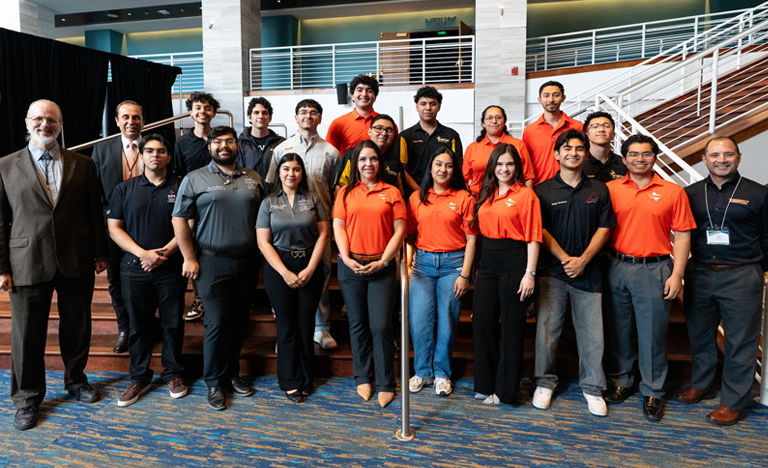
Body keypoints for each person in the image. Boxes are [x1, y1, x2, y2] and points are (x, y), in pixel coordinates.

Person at [0, 100, 109, 431]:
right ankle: (27, 398)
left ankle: (76, 381)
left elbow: (94, 212)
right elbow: (0, 221)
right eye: (38, 118)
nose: (44, 124)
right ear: (27, 122)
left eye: (51, 120)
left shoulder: (83, 164)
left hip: (76, 258)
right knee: (26, 334)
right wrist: (2, 267)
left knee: (77, 326)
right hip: (26, 261)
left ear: (61, 125)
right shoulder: (5, 166)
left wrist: (100, 252)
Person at [172, 126, 267, 411]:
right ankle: (214, 381)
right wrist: (189, 257)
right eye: (218, 142)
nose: (224, 146)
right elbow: (179, 219)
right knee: (216, 323)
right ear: (209, 147)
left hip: (248, 261)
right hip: (212, 261)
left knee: (239, 321)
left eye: (229, 141)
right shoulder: (195, 178)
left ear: (237, 145)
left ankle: (232, 373)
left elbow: (265, 217)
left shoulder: (253, 178)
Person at [603, 134, 695, 422]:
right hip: (617, 266)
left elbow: (682, 236)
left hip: (655, 268)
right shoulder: (610, 189)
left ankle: (653, 390)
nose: (639, 159)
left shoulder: (673, 191)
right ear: (624, 159)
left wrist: (677, 275)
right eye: (633, 154)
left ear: (655, 158)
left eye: (646, 154)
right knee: (618, 330)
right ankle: (621, 380)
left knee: (653, 334)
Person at [677, 137, 768, 426]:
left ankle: (734, 402)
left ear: (739, 157)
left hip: (741, 275)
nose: (722, 160)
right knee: (700, 335)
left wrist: (755, 269)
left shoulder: (758, 193)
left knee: (740, 341)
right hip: (700, 273)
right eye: (715, 155)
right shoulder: (689, 193)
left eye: (728, 154)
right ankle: (701, 384)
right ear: (704, 159)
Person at [532, 130, 615, 417]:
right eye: (567, 148)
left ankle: (592, 387)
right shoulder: (542, 191)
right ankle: (544, 382)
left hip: (589, 273)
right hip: (552, 272)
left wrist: (583, 260)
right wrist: (567, 259)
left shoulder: (599, 189)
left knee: (592, 336)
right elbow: (540, 229)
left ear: (586, 154)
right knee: (547, 333)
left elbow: (604, 228)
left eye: (579, 148)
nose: (573, 153)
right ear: (556, 154)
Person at [107, 134, 189, 406]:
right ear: (141, 156)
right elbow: (114, 229)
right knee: (138, 326)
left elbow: (190, 224)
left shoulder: (181, 185)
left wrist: (163, 254)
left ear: (168, 156)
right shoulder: (124, 189)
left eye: (161, 151)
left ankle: (174, 373)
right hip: (134, 267)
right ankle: (140, 378)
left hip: (171, 266)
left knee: (172, 323)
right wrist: (143, 254)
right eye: (150, 151)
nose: (156, 155)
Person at [333, 140, 407, 408]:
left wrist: (384, 261)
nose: (368, 164)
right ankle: (363, 377)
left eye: (373, 159)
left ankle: (386, 382)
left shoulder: (392, 192)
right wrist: (346, 258)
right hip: (351, 266)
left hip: (381, 268)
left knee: (381, 326)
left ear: (380, 162)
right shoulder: (345, 192)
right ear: (355, 163)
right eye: (363, 159)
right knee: (358, 324)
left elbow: (400, 230)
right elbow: (338, 226)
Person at [470, 143, 542, 406]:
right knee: (482, 321)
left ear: (517, 167)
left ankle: (505, 391)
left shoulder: (526, 195)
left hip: (515, 258)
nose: (504, 169)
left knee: (512, 327)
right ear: (492, 167)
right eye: (499, 164)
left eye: (510, 164)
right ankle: (486, 383)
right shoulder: (485, 193)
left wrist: (529, 273)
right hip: (488, 259)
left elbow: (534, 236)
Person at [257, 154, 329, 403]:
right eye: (286, 169)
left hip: (310, 264)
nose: (291, 174)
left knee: (306, 325)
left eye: (296, 169)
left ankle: (307, 378)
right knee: (287, 327)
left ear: (302, 173)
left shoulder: (313, 198)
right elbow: (263, 242)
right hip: (279, 268)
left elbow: (323, 235)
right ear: (278, 173)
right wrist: (285, 272)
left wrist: (310, 268)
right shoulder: (268, 202)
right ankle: (289, 381)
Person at [268, 99, 340, 350]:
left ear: (320, 118)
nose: (308, 116)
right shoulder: (281, 149)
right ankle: (286, 332)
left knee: (321, 274)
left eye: (313, 112)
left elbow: (334, 188)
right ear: (295, 118)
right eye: (303, 112)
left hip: (318, 226)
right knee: (283, 279)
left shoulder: (331, 152)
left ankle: (320, 328)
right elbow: (272, 185)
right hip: (285, 226)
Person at [407, 148, 477, 397]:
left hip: (453, 265)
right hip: (422, 265)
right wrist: (408, 264)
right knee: (419, 322)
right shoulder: (417, 197)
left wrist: (465, 275)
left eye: (448, 165)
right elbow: (410, 235)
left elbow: (472, 239)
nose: (443, 169)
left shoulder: (464, 198)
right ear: (430, 167)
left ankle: (441, 374)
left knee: (447, 321)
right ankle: (422, 372)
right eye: (438, 164)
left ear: (454, 170)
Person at [91, 100, 145, 354]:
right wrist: (111, 216)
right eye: (125, 117)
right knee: (115, 282)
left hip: (147, 227)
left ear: (143, 120)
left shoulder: (154, 145)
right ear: (116, 121)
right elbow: (95, 192)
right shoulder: (102, 149)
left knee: (148, 280)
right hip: (112, 228)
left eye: (136, 117)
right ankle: (125, 328)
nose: (131, 122)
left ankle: (145, 327)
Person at [173, 91, 221, 322]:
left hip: (219, 203)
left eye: (207, 108)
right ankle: (198, 297)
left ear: (214, 112)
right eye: (198, 108)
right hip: (193, 207)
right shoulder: (182, 143)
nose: (203, 111)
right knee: (194, 250)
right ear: (191, 113)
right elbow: (178, 176)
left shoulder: (220, 139)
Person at [397, 86, 463, 193]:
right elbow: (401, 170)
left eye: (432, 104)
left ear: (439, 107)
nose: (428, 108)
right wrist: (419, 192)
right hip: (414, 194)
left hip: (444, 193)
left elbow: (456, 168)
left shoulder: (451, 135)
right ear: (417, 106)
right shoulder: (405, 136)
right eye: (423, 104)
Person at [463, 105, 534, 194]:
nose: (494, 121)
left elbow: (528, 178)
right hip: (478, 198)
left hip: (511, 198)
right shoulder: (472, 148)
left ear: (504, 122)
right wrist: (470, 199)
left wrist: (525, 199)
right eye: (489, 118)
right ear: (483, 123)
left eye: (498, 117)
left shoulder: (518, 145)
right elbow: (464, 180)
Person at [522, 81, 583, 185]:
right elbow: (526, 165)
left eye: (556, 95)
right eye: (546, 96)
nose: (551, 100)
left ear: (563, 98)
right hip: (540, 186)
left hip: (571, 186)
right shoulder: (529, 131)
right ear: (539, 100)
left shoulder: (577, 127)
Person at [326, 74, 388, 155]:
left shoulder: (386, 124)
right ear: (352, 96)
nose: (364, 94)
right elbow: (329, 156)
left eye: (369, 91)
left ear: (375, 97)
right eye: (360, 90)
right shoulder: (338, 123)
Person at [336, 114, 402, 190]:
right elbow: (339, 186)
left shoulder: (395, 162)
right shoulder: (352, 155)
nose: (384, 133)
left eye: (389, 130)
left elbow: (401, 193)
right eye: (379, 128)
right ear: (369, 131)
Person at [238, 97, 285, 182]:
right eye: (256, 113)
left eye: (264, 113)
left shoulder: (281, 143)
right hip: (248, 189)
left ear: (270, 118)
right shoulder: (239, 144)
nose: (261, 116)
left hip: (275, 190)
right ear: (249, 117)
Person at [582, 112, 627, 183]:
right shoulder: (579, 163)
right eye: (595, 126)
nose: (601, 130)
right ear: (587, 135)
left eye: (607, 126)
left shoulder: (624, 164)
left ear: (613, 135)